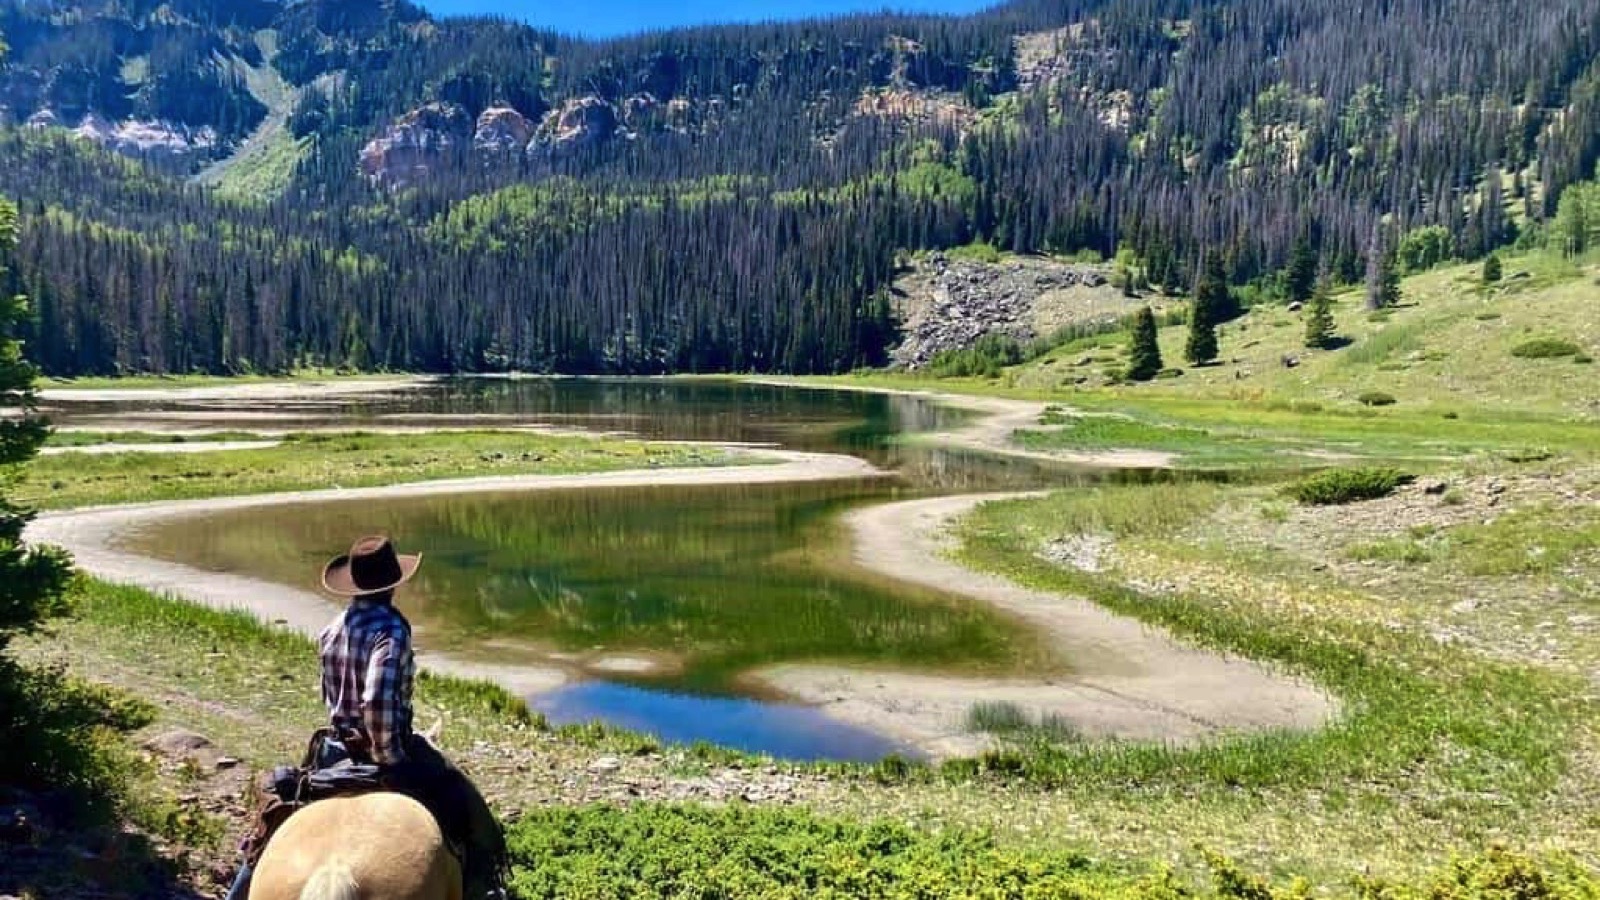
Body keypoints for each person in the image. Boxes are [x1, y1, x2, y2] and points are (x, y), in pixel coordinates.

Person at [226, 536, 508, 900]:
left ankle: (238, 889)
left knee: (270, 828)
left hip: (333, 749)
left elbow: (331, 694)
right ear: (392, 584)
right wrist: (389, 756)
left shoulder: (332, 629)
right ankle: (486, 890)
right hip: (386, 751)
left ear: (353, 586)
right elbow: (376, 700)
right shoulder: (391, 629)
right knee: (467, 808)